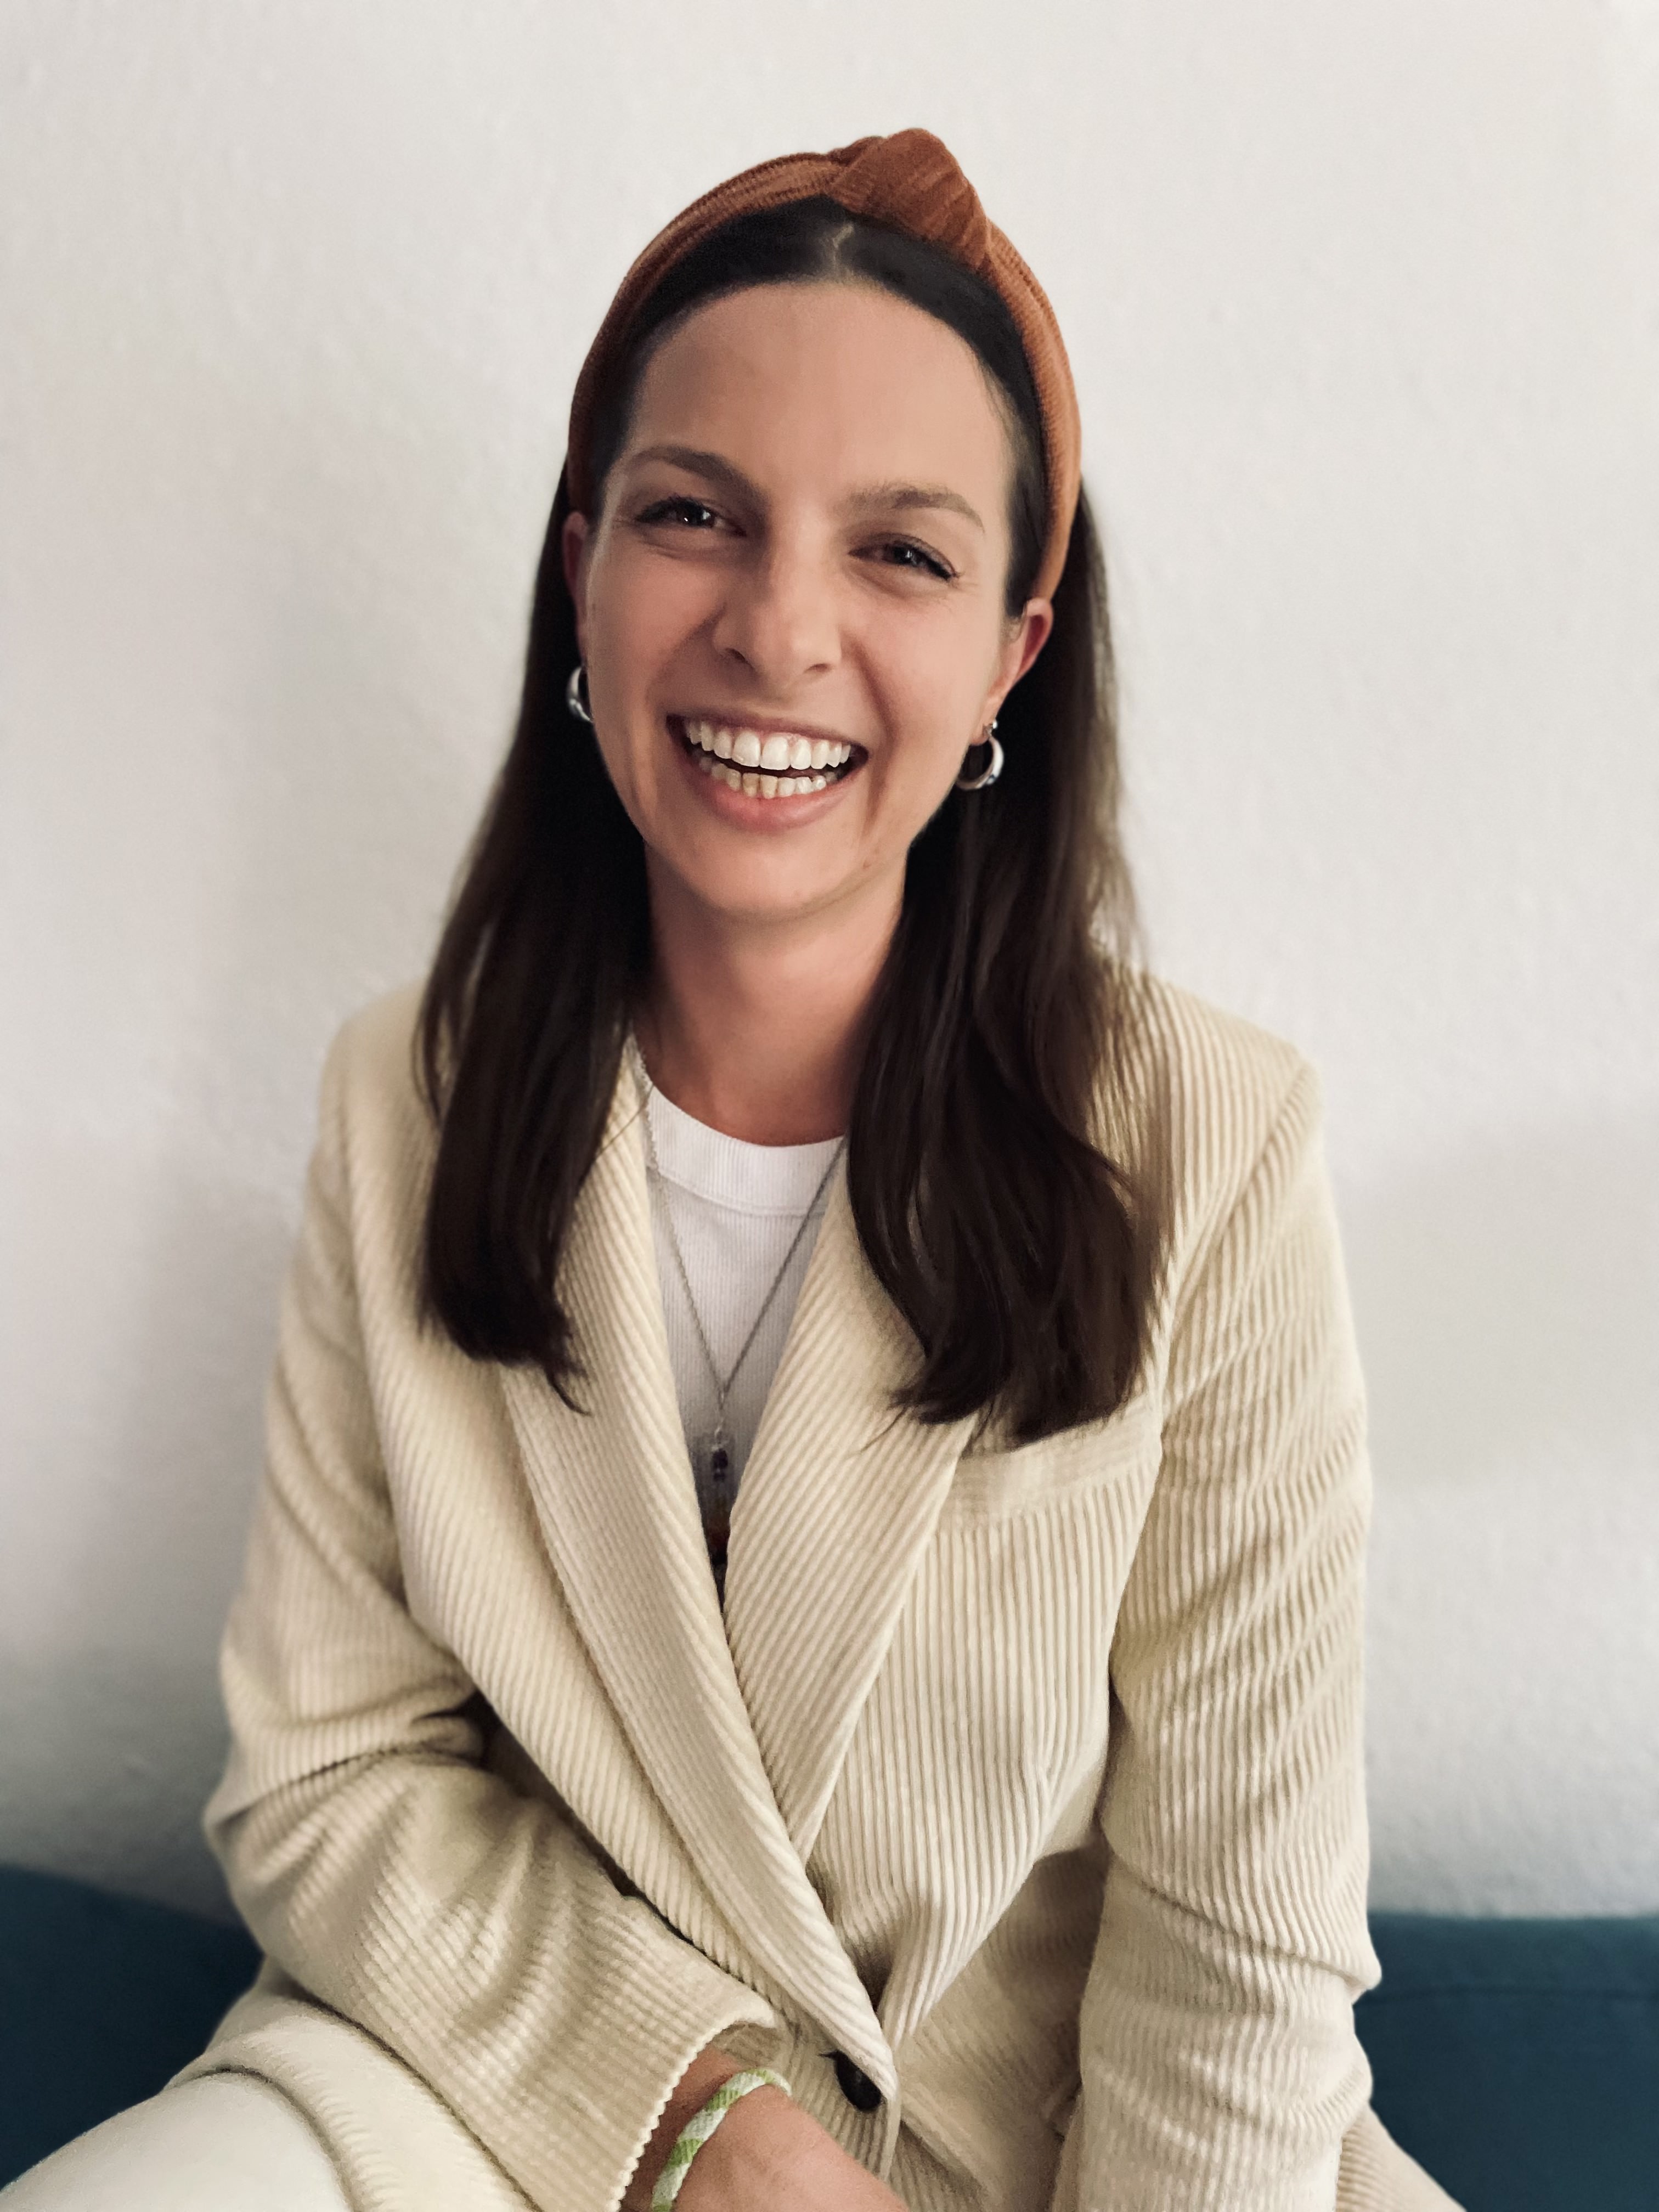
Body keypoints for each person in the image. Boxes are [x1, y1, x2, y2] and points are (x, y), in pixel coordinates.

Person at [3, 130, 1459, 2212]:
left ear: (1015, 650)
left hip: (1055, 2151)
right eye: (695, 515)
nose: (778, 631)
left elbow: (1239, 1941)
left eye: (902, 553)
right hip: (529, 2109)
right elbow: (331, 1774)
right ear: (582, 567)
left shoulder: (1209, 1153)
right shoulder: (404, 1101)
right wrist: (693, 2121)